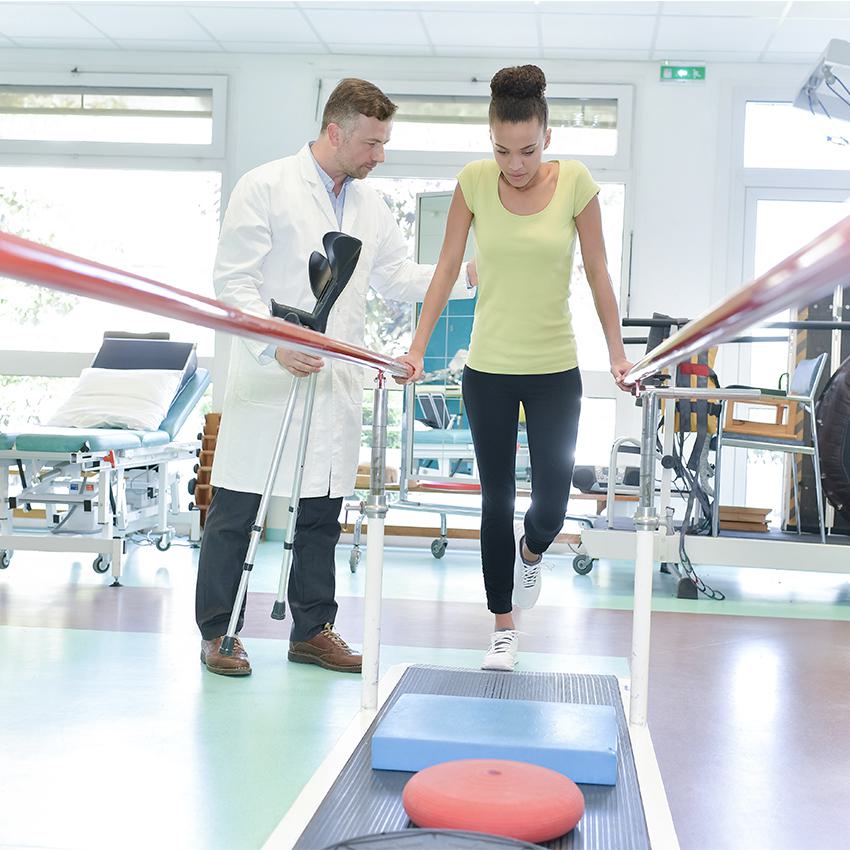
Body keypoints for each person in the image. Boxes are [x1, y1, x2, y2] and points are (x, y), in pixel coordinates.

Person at [196, 78, 472, 677]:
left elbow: (397, 278)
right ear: (335, 132)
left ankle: (311, 628)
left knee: (322, 508)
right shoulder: (265, 187)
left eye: (384, 142)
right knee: (239, 507)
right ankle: (219, 631)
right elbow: (234, 285)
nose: (381, 155)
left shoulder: (371, 206)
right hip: (270, 377)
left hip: (334, 380)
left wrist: (466, 273)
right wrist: (275, 348)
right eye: (373, 143)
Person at [397, 65, 632, 672]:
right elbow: (446, 270)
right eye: (502, 149)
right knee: (495, 497)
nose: (515, 164)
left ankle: (532, 553)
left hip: (555, 368)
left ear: (547, 138)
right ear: (490, 139)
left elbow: (600, 275)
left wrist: (618, 354)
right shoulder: (474, 183)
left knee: (551, 503)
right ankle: (503, 625)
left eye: (527, 150)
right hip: (490, 370)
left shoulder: (577, 183)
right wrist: (418, 349)